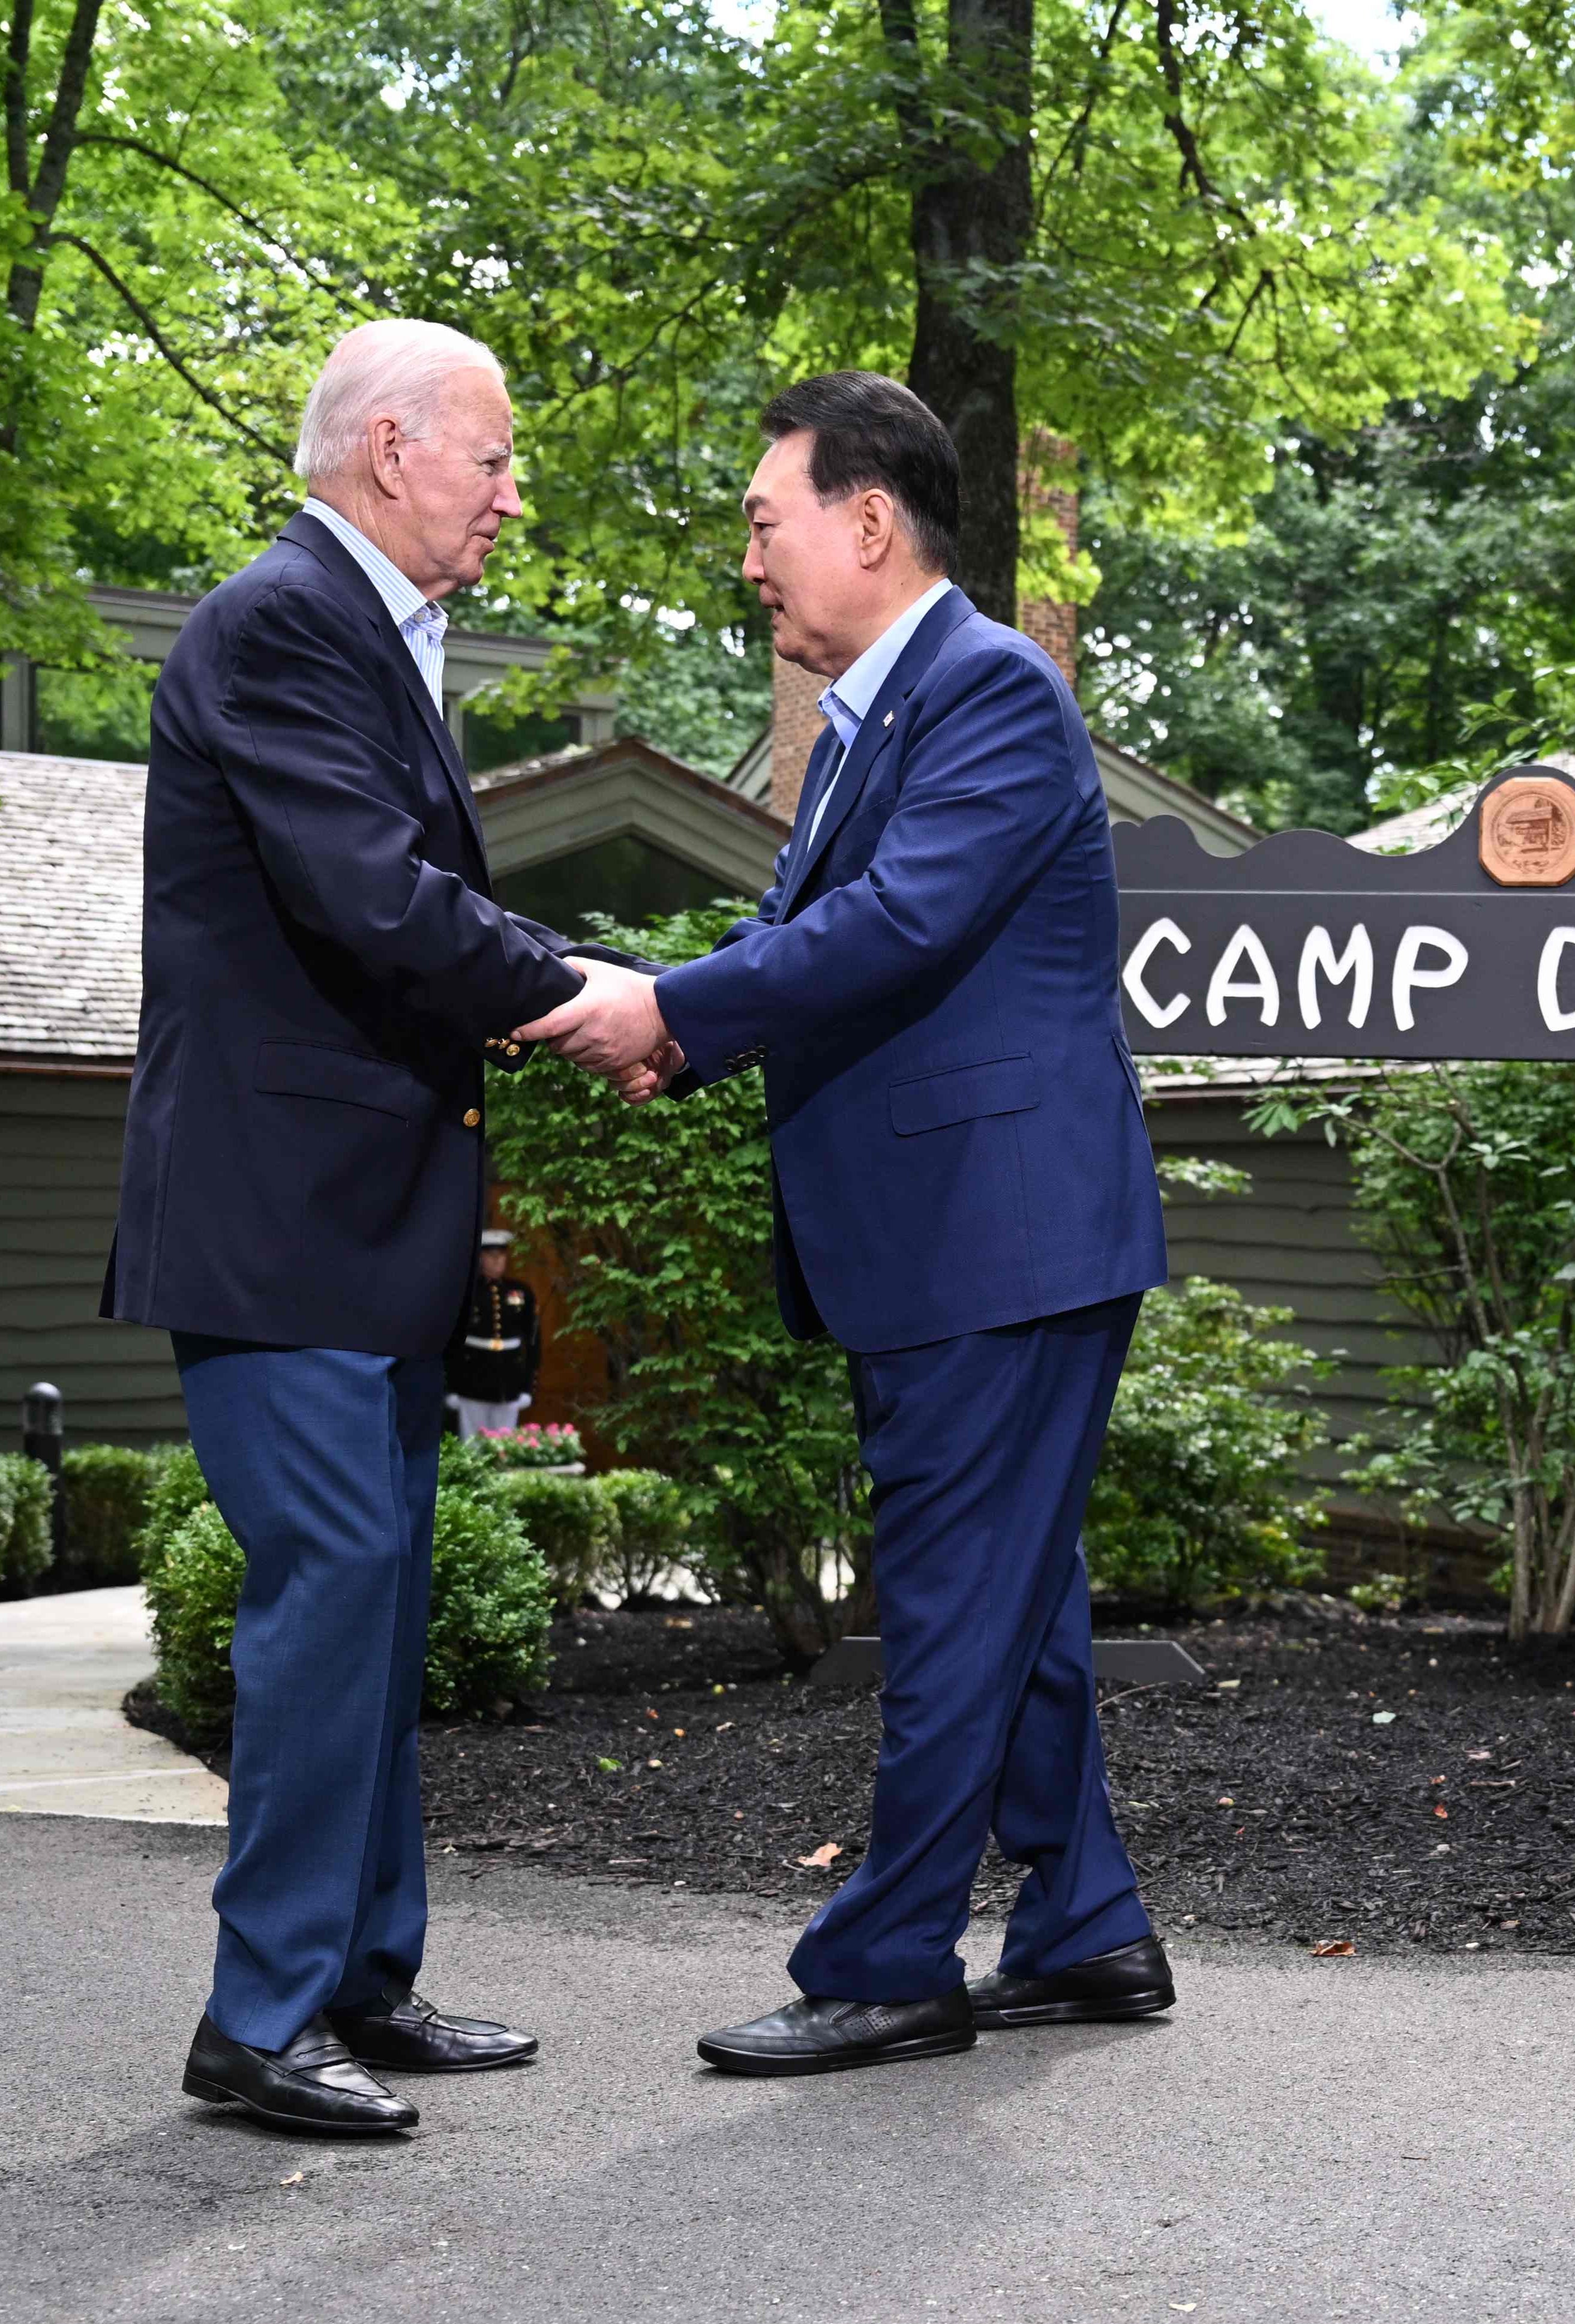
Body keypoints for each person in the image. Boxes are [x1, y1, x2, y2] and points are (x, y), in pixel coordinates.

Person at [517, 371, 1174, 2077]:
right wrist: (705, 1030)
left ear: (868, 521)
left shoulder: (991, 696)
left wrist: (675, 1010)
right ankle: (1087, 1926)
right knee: (1010, 1594)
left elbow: (898, 926)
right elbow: (850, 950)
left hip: (1001, 1241)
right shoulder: (882, 719)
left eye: (764, 520)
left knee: (955, 1595)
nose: (750, 560)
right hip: (957, 1238)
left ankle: (888, 1959)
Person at [104, 317, 662, 2136]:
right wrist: (583, 990)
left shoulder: (371, 641)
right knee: (328, 1597)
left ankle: (362, 1977)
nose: (512, 493)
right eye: (492, 458)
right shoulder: (277, 622)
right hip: (282, 1226)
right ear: (391, 444)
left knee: (380, 1594)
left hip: (368, 1225)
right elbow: (369, 894)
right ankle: (256, 2021)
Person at [444, 1230, 542, 1440]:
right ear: (481, 1258)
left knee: (505, 1445)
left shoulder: (521, 1291)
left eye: (501, 1254)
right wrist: (451, 1387)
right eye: (491, 1255)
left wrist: (528, 1388)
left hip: (510, 1380)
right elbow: (452, 1341)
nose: (497, 1260)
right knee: (473, 1444)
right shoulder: (467, 1292)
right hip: (472, 1380)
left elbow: (533, 1341)